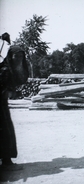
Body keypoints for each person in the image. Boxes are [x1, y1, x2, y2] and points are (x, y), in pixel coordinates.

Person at [0, 33, 29, 170]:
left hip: (2, 104)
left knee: (6, 129)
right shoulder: (4, 69)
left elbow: (18, 79)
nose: (19, 59)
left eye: (21, 57)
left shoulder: (10, 69)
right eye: (16, 56)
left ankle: (6, 159)